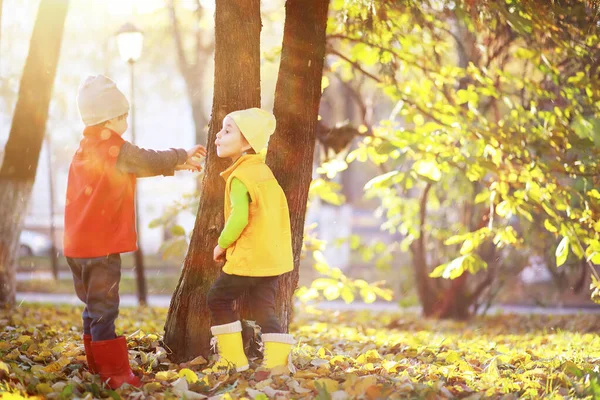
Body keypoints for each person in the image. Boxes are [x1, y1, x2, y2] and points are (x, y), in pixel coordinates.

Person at [64, 75, 206, 389]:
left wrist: (176, 167)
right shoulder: (115, 147)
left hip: (76, 247)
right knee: (105, 311)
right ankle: (115, 375)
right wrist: (180, 155)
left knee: (92, 307)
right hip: (101, 249)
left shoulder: (87, 148)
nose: (126, 121)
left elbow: (134, 167)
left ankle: (96, 365)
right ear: (109, 119)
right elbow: (143, 159)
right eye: (123, 116)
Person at [206, 108, 295, 373]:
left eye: (227, 130)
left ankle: (234, 360)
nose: (218, 136)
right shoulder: (264, 173)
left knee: (217, 299)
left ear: (247, 142)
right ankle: (278, 364)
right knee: (263, 308)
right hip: (271, 259)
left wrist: (222, 244)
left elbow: (239, 217)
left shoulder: (240, 176)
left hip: (248, 257)